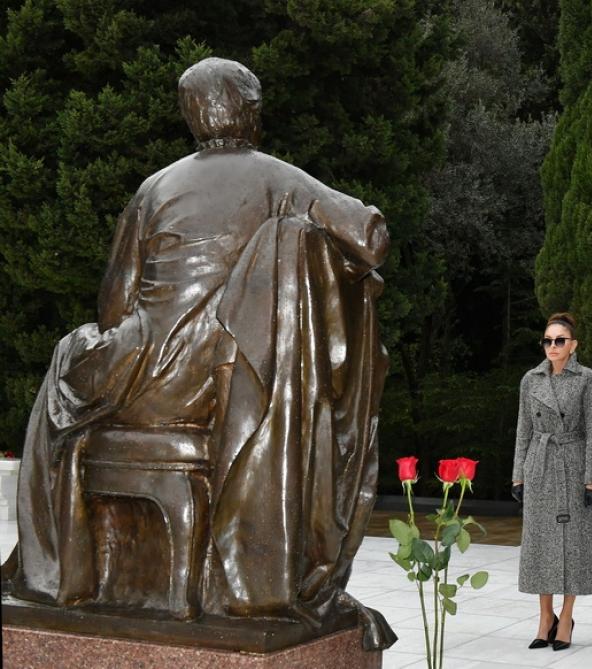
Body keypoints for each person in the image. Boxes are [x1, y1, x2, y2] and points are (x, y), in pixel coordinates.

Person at [5, 57, 394, 648]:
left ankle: (65, 572)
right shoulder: (281, 180)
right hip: (234, 382)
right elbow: (370, 237)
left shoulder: (155, 187)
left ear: (192, 117)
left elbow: (115, 307)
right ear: (252, 111)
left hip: (136, 378)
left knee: (70, 356)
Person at [512, 312, 592, 652]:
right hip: (539, 464)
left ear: (573, 345)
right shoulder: (530, 379)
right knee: (540, 544)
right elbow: (523, 428)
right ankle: (545, 616)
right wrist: (518, 474)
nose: (553, 346)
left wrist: (590, 479)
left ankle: (566, 617)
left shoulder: (588, 379)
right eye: (548, 340)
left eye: (559, 340)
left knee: (573, 544)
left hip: (573, 464)